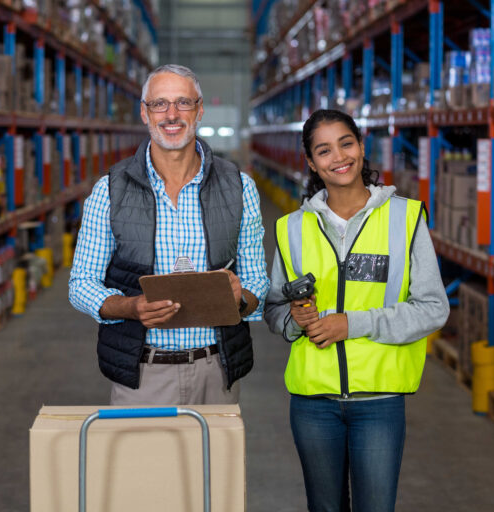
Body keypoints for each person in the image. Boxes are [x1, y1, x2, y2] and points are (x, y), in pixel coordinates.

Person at [265, 109, 449, 511]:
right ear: (312, 162)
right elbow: (274, 308)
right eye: (324, 150)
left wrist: (353, 324)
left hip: (378, 401)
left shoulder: (405, 217)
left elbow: (434, 308)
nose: (339, 157)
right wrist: (295, 322)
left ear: (362, 147)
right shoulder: (291, 228)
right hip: (312, 401)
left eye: (346, 143)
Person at [69, 64, 270, 406]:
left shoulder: (239, 187)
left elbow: (257, 283)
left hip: (216, 371)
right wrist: (131, 307)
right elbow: (81, 283)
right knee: (144, 462)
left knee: (216, 462)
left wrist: (240, 297)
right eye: (159, 104)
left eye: (183, 103)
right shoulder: (110, 191)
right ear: (144, 113)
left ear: (200, 109)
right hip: (142, 374)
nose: (172, 115)